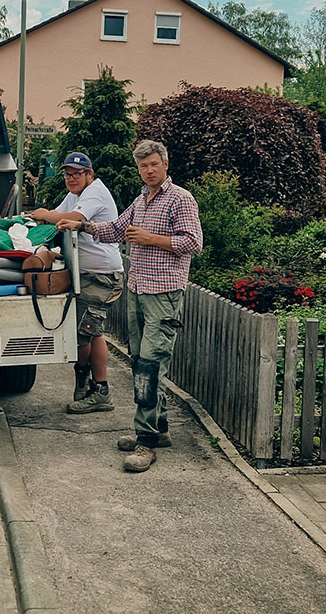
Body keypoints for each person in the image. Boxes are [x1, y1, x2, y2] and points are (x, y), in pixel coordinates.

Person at [57, 139, 201, 473]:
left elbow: (193, 242)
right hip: (138, 290)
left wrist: (152, 239)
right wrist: (82, 225)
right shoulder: (141, 200)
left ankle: (146, 442)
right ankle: (159, 429)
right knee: (141, 361)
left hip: (163, 295)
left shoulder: (180, 198)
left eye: (153, 164)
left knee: (150, 364)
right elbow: (115, 230)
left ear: (165, 164)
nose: (148, 171)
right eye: (142, 166)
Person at [29, 151, 125, 414]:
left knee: (84, 333)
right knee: (90, 332)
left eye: (77, 174)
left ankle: (97, 389)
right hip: (86, 274)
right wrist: (46, 216)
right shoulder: (75, 194)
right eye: (67, 174)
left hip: (101, 275)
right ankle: (91, 386)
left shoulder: (95, 192)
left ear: (89, 175)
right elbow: (57, 215)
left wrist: (44, 213)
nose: (71, 178)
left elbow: (71, 220)